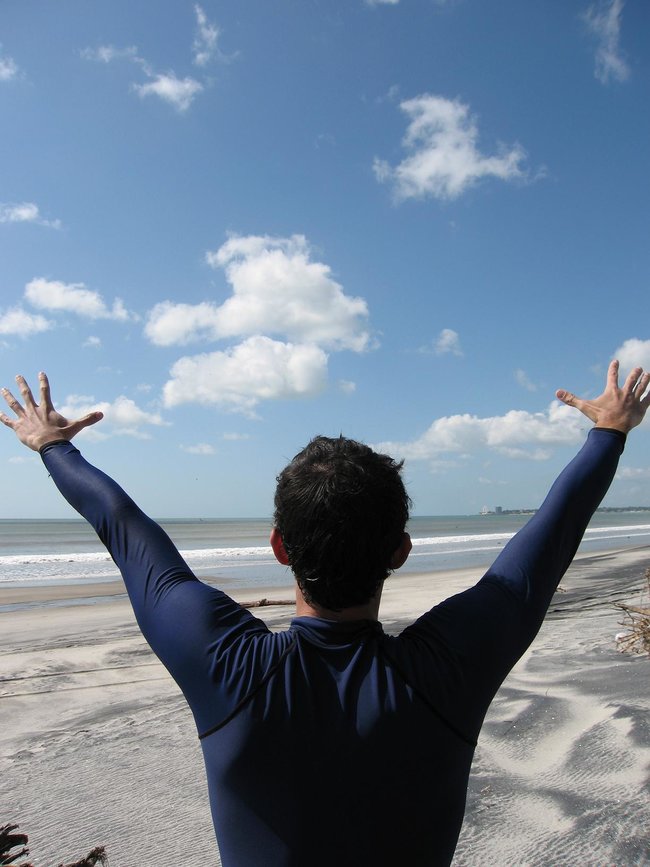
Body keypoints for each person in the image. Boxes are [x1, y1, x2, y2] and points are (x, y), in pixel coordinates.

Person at [1, 362, 648, 867]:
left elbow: (124, 529)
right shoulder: (449, 665)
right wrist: (607, 432)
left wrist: (54, 447)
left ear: (280, 547)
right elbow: (550, 535)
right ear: (399, 551)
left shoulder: (224, 663)